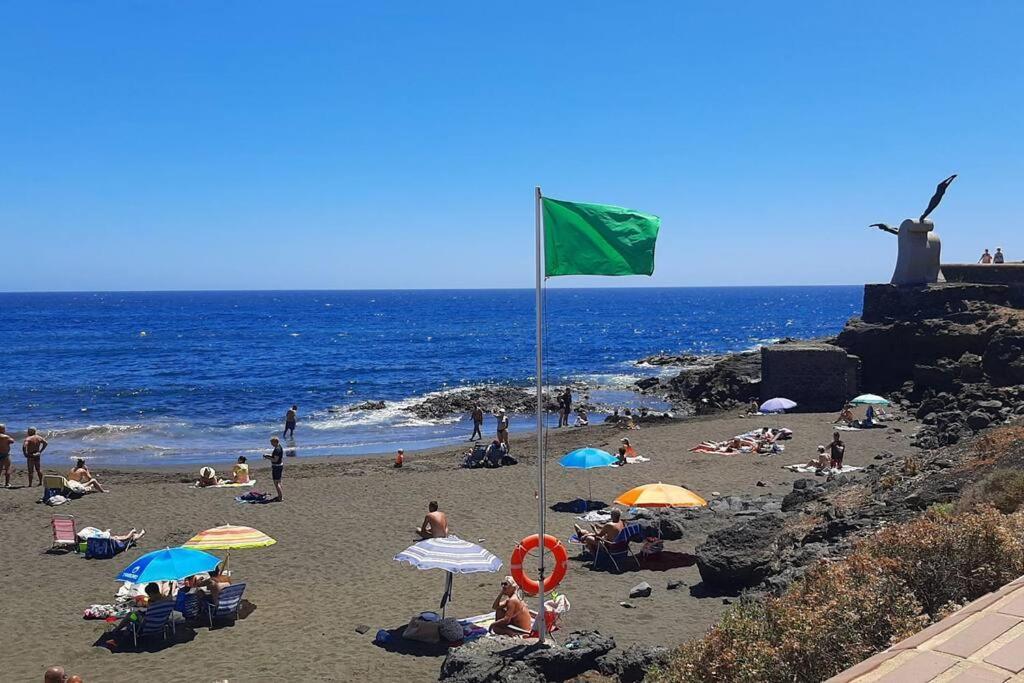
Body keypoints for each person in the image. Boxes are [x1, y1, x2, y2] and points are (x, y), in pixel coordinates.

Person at [263, 436, 284, 501]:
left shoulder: (277, 449)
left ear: (275, 442)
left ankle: (280, 497)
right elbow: (274, 457)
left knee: (276, 483)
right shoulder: (279, 447)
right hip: (279, 465)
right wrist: (268, 455)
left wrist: (267, 457)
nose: (271, 444)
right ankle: (280, 496)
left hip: (277, 466)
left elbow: (275, 459)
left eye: (272, 443)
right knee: (279, 482)